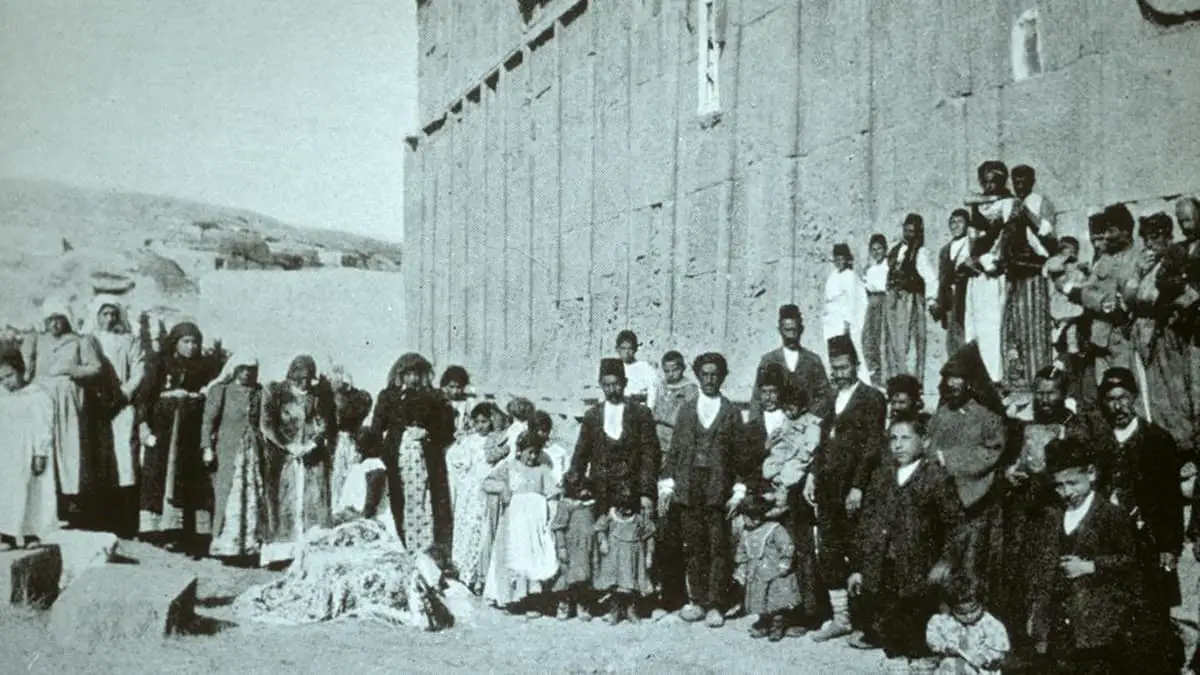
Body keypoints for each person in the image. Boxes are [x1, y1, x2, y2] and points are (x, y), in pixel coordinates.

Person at [848, 417, 965, 673]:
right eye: (893, 439)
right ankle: (896, 656)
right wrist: (859, 567)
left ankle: (919, 657)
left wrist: (945, 561)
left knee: (916, 617)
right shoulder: (881, 476)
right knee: (889, 617)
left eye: (905, 438)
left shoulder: (935, 477)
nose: (897, 445)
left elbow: (956, 526)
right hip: (884, 562)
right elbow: (867, 523)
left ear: (924, 441)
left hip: (920, 566)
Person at [1095, 367, 1185, 673]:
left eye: (1123, 398)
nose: (1118, 406)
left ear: (1133, 398)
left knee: (1151, 616)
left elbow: (1171, 500)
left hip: (1149, 544)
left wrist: (1170, 548)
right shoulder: (1098, 442)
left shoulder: (1157, 440)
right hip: (1108, 544)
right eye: (1110, 399)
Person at [1026, 438, 1138, 674]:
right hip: (1060, 622)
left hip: (1099, 623)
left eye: (1072, 483)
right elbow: (1041, 566)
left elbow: (1131, 561)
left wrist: (1091, 567)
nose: (1066, 492)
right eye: (1059, 486)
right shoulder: (1052, 515)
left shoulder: (1111, 515)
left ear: (1091, 473)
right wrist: (1038, 613)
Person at [805, 334, 887, 643]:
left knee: (859, 552)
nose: (839, 373)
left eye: (844, 367)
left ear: (856, 365)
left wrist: (858, 487)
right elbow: (819, 443)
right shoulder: (829, 400)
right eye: (835, 368)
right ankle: (841, 618)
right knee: (830, 550)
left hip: (855, 490)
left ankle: (865, 621)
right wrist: (813, 474)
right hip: (827, 489)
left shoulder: (872, 399)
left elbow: (871, 448)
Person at [659, 352, 744, 628]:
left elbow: (740, 456)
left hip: (718, 487)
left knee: (718, 546)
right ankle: (697, 600)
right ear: (698, 376)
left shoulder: (730, 412)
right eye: (705, 374)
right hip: (690, 485)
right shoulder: (687, 409)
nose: (709, 379)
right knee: (694, 546)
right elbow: (675, 451)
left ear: (721, 377)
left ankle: (716, 604)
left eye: (714, 374)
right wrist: (669, 484)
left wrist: (739, 489)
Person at [926, 342, 1009, 624]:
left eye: (959, 378)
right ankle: (943, 632)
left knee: (971, 567)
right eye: (949, 379)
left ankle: (973, 632)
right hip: (940, 503)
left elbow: (992, 451)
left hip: (973, 502)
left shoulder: (987, 417)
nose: (952, 385)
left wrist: (948, 459)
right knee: (941, 567)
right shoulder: (941, 415)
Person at [137, 321, 221, 555]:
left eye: (195, 342)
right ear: (175, 342)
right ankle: (160, 530)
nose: (191, 347)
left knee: (190, 474)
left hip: (192, 427)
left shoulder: (204, 367)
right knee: (162, 473)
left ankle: (188, 532)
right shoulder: (160, 364)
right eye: (186, 341)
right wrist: (143, 424)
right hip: (164, 427)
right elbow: (145, 396)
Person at [21, 297, 103, 528]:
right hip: (40, 399)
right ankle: (41, 504)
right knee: (41, 447)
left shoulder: (80, 341)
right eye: (50, 320)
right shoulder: (38, 341)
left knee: (68, 448)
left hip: (67, 401)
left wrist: (73, 370)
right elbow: (28, 369)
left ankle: (70, 502)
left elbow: (95, 368)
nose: (55, 325)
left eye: (59, 320)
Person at [369, 353, 457, 563]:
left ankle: (428, 551)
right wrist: (383, 451)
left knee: (427, 500)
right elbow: (376, 427)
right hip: (398, 458)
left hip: (427, 458)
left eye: (417, 373)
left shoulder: (434, 397)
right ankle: (403, 546)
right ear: (400, 374)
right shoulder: (388, 396)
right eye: (408, 373)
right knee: (398, 501)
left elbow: (447, 429)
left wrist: (427, 433)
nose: (413, 378)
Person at [1123, 212, 1197, 456]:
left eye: (1155, 237)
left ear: (1167, 236)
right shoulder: (1144, 264)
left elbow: (1163, 298)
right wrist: (1137, 275)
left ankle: (1180, 445)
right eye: (1146, 238)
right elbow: (1130, 299)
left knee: (1170, 391)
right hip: (1140, 334)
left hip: (1164, 334)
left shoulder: (1173, 259)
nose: (1149, 244)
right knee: (1146, 391)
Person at [259, 355, 336, 566]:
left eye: (308, 378)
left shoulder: (316, 398)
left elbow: (323, 423)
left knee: (313, 498)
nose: (303, 383)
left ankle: (310, 548)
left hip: (311, 456)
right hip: (283, 458)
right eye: (299, 378)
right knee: (284, 499)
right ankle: (282, 552)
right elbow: (267, 424)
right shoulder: (276, 394)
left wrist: (312, 445)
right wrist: (288, 445)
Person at [567, 359, 660, 517]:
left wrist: (646, 493)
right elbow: (580, 455)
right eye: (607, 385)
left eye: (616, 384)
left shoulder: (640, 413)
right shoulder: (593, 416)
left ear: (625, 383)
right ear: (601, 385)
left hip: (633, 493)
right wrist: (573, 490)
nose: (612, 390)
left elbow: (649, 455)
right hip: (601, 492)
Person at [86, 295, 146, 537]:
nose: (109, 319)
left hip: (121, 405)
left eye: (113, 314)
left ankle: (125, 522)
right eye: (104, 314)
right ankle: (99, 518)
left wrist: (123, 394)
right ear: (97, 316)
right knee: (98, 459)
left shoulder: (129, 341)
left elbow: (138, 369)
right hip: (94, 406)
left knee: (125, 460)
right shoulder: (89, 340)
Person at [482, 432, 559, 614]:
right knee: (509, 557)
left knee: (532, 560)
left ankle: (531, 601)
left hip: (534, 525)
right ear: (519, 450)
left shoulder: (543, 471)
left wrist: (550, 519)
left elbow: (552, 495)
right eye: (529, 452)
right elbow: (487, 483)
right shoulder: (509, 467)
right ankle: (509, 599)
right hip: (512, 523)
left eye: (536, 453)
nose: (532, 457)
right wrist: (503, 488)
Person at [1069, 204, 1142, 395]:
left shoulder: (1140, 258)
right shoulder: (1105, 259)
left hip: (1127, 338)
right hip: (1101, 339)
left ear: (1126, 230)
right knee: (1104, 392)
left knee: (1127, 390)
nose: (1107, 236)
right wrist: (1103, 303)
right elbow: (1085, 292)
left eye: (1111, 230)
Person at [202, 354, 266, 561]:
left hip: (253, 452)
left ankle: (249, 546)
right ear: (235, 369)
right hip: (229, 451)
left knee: (253, 495)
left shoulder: (260, 392)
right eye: (243, 368)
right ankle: (226, 546)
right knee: (227, 494)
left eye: (251, 369)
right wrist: (207, 447)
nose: (247, 373)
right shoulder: (221, 391)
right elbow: (208, 421)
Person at [1002, 164, 1057, 391]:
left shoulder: (1041, 203)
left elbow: (1048, 234)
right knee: (1014, 330)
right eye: (1016, 180)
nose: (1020, 184)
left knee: (1035, 329)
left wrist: (1025, 214)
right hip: (1014, 275)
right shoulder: (1010, 205)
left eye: (1024, 180)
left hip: (1034, 273)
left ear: (1032, 181)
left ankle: (1039, 383)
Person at [962, 161, 1015, 383]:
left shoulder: (1009, 203)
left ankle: (995, 378)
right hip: (977, 274)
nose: (990, 185)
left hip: (995, 271)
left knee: (993, 327)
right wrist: (971, 259)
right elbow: (972, 238)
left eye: (995, 181)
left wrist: (990, 260)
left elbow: (1006, 237)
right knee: (973, 327)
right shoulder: (977, 206)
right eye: (986, 181)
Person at [0, 350, 58, 548]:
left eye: (9, 376)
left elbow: (44, 425)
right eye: (1, 379)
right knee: (7, 492)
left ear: (20, 370)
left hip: (29, 452)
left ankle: (32, 534)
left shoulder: (37, 396)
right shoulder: (3, 398)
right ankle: (6, 534)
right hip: (7, 454)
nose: (6, 382)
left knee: (33, 492)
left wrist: (40, 452)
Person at [736, 494, 800, 643]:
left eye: (758, 516)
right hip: (756, 573)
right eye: (749, 516)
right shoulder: (745, 532)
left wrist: (784, 563)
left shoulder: (774, 529)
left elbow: (787, 546)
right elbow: (742, 550)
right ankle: (764, 622)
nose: (755, 520)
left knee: (775, 601)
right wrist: (741, 565)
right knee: (759, 599)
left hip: (774, 572)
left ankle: (778, 625)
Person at [447, 403, 497, 592]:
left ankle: (480, 576)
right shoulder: (469, 441)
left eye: (485, 422)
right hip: (470, 490)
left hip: (486, 488)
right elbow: (459, 462)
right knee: (468, 528)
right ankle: (464, 572)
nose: (481, 426)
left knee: (482, 528)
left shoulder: (495, 441)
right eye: (477, 422)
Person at [884, 213, 938, 383]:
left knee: (910, 344)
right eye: (906, 230)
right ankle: (897, 378)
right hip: (894, 299)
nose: (908, 234)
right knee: (894, 343)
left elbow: (930, 277)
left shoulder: (920, 253)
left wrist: (931, 300)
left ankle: (913, 382)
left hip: (910, 300)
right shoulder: (895, 249)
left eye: (912, 231)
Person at [752, 304, 832, 418]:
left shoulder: (813, 360)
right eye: (787, 330)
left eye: (795, 330)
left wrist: (809, 415)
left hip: (806, 426)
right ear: (779, 330)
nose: (791, 336)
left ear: (802, 329)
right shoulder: (768, 360)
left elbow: (825, 396)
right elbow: (757, 399)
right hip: (775, 426)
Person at [593, 484, 655, 625]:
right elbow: (600, 528)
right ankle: (614, 611)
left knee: (632, 587)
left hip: (633, 557)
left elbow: (650, 534)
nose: (626, 510)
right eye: (623, 504)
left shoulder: (639, 518)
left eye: (629, 505)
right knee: (614, 586)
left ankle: (631, 611)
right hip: (614, 557)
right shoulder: (611, 515)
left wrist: (649, 554)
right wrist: (602, 541)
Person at [925, 575, 1010, 675]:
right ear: (951, 608)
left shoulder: (990, 624)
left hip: (980, 670)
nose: (969, 616)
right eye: (961, 613)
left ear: (982, 604)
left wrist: (985, 657)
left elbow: (1000, 648)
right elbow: (933, 638)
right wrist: (944, 647)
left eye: (974, 610)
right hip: (951, 669)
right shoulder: (943, 621)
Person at [551, 473, 598, 621]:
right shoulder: (566, 505)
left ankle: (582, 605)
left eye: (585, 488)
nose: (584, 492)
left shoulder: (590, 504)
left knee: (584, 577)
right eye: (579, 489)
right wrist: (562, 547)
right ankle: (564, 604)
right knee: (566, 577)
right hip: (572, 547)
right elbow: (558, 528)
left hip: (587, 547)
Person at [823, 242, 870, 383]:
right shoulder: (833, 276)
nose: (839, 262)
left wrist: (847, 323)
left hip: (843, 321)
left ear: (847, 259)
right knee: (833, 352)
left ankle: (862, 381)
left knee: (850, 353)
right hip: (831, 321)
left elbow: (852, 301)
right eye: (836, 259)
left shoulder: (850, 276)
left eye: (841, 258)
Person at [1043, 236, 1089, 372]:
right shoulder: (1056, 263)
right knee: (1060, 332)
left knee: (1072, 331)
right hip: (1060, 305)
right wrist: (1065, 262)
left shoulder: (1076, 267)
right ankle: (1060, 360)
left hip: (1072, 305)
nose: (1071, 255)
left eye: (1073, 252)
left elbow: (1081, 279)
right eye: (1067, 251)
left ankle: (1072, 353)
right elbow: (1050, 269)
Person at [934, 210, 973, 360]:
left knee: (965, 336)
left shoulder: (971, 245)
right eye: (953, 222)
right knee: (952, 340)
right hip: (950, 300)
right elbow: (942, 277)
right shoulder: (945, 250)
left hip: (965, 297)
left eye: (960, 222)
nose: (956, 226)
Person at [652, 350, 699, 454]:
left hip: (676, 436)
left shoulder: (689, 389)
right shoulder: (661, 386)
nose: (671, 374)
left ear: (683, 369)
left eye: (674, 370)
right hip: (658, 436)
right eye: (667, 371)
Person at [863, 233, 890, 386]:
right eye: (873, 249)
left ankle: (885, 378)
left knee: (884, 339)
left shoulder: (888, 266)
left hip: (884, 302)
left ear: (885, 249)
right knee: (870, 338)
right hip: (872, 303)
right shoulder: (870, 269)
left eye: (879, 249)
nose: (876, 252)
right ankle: (874, 375)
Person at [615, 330, 659, 409]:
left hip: (638, 412)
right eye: (623, 348)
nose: (627, 352)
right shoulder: (613, 367)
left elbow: (652, 394)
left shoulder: (646, 368)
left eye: (630, 348)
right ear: (617, 349)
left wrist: (647, 414)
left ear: (635, 349)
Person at [438, 365, 472, 437]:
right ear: (445, 385)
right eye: (451, 387)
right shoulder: (440, 401)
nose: (455, 391)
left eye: (459, 387)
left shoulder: (466, 403)